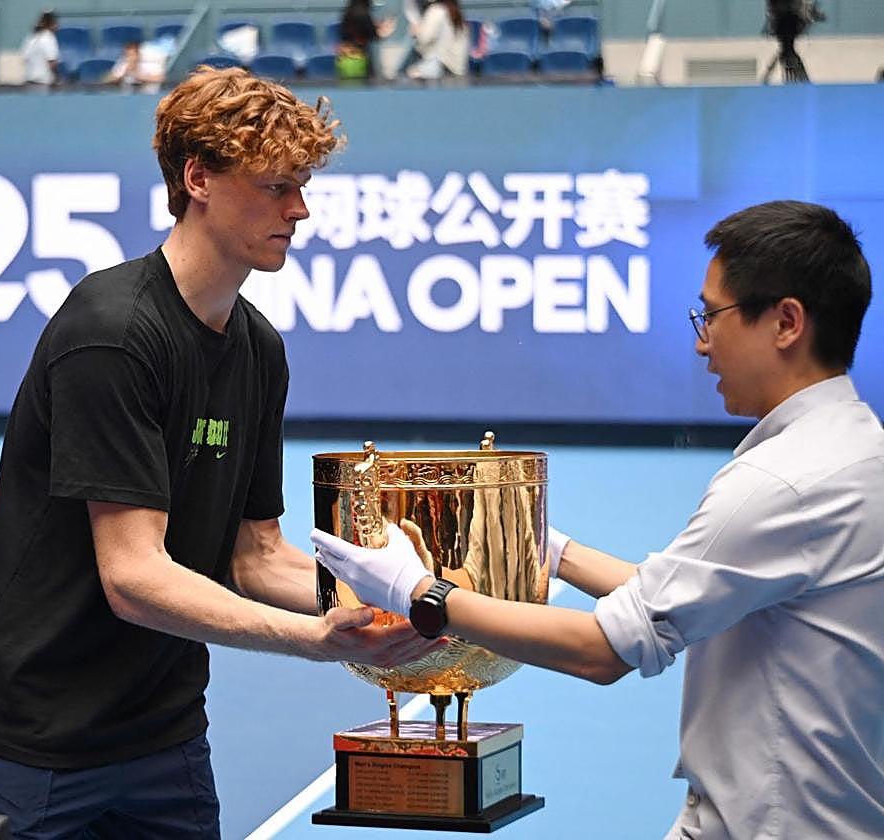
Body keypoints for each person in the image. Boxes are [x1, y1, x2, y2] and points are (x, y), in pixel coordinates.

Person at [0, 66, 440, 839]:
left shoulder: (260, 350)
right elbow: (133, 577)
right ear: (197, 177)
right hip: (31, 730)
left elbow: (254, 555)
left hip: (162, 731)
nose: (300, 210)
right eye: (276, 186)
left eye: (302, 186)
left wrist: (387, 600)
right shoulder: (111, 332)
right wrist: (314, 639)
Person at [313, 200, 884, 839]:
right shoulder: (854, 447)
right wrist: (544, 548)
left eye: (711, 315)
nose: (701, 341)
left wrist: (416, 592)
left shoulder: (782, 482)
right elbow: (676, 594)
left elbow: (607, 650)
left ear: (785, 322)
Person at [406, 0, 470, 80]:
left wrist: (416, 31)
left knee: (409, 71)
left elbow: (423, 39)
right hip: (459, 69)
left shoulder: (436, 10)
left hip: (441, 67)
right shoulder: (456, 11)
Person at [337, 0, 395, 80]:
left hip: (345, 58)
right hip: (359, 59)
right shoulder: (363, 14)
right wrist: (386, 31)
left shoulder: (347, 12)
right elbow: (373, 34)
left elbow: (361, 30)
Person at [21, 10, 60, 87]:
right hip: (43, 84)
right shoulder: (49, 38)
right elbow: (52, 62)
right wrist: (57, 79)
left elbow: (24, 58)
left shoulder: (30, 38)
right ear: (52, 24)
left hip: (29, 82)